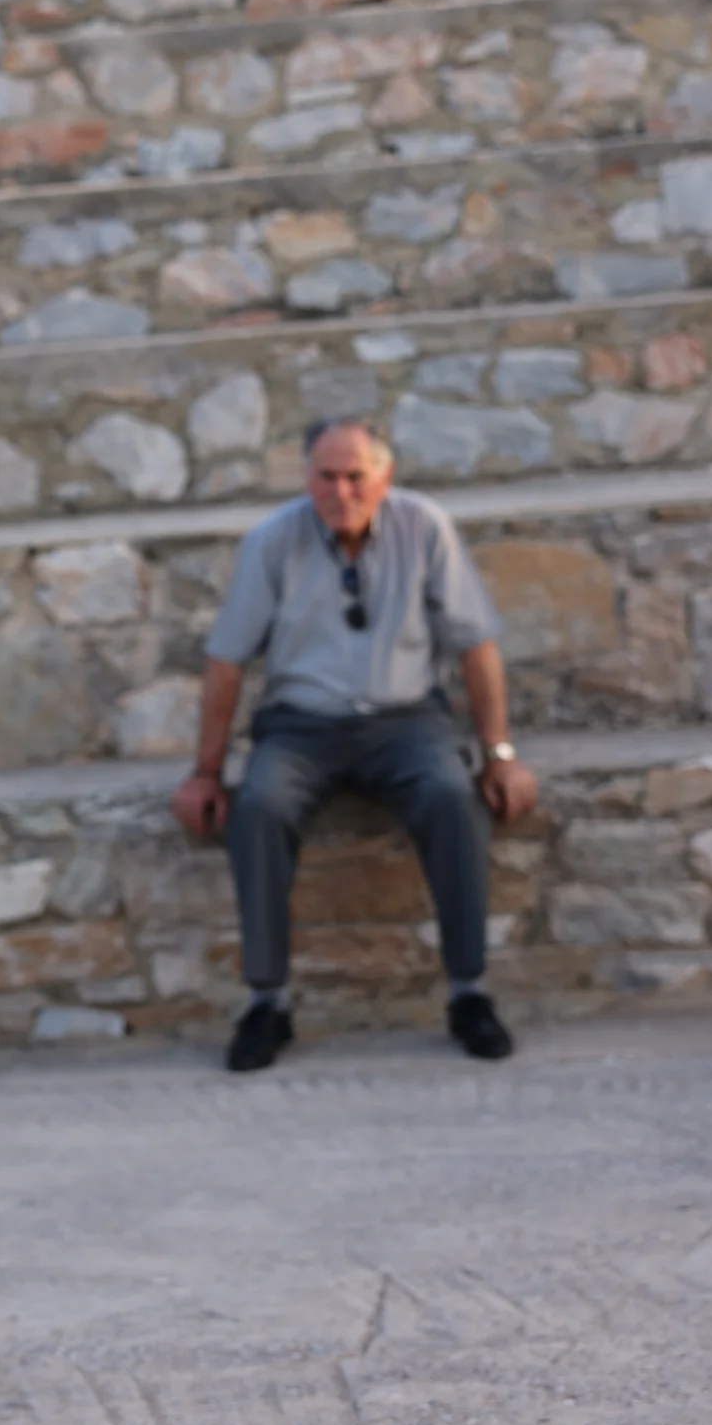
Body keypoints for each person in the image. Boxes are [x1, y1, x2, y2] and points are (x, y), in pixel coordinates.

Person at [171, 417, 540, 1074]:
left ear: (384, 477)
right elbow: (226, 661)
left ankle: (468, 993)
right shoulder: (271, 541)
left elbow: (476, 644)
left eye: (355, 477)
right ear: (306, 478)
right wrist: (205, 773)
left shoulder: (424, 527)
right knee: (258, 807)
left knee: (453, 798)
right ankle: (268, 1002)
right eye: (326, 476)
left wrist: (500, 755)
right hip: (300, 726)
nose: (341, 492)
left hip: (406, 723)